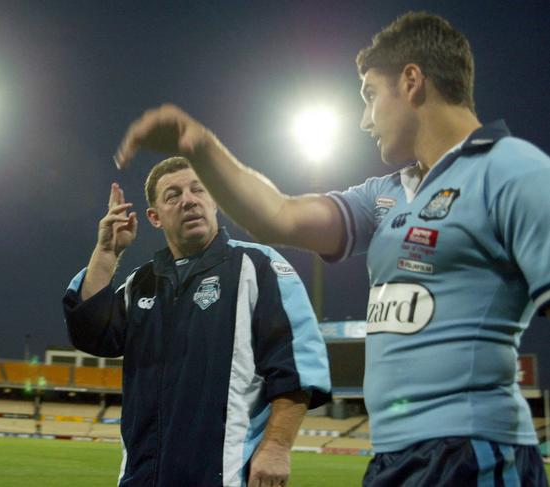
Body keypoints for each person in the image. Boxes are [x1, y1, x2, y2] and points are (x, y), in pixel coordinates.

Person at [115, 11, 550, 487]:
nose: (364, 120)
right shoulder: (386, 195)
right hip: (394, 458)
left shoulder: (513, 170)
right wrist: (197, 145)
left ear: (411, 81)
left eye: (369, 95)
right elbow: (277, 215)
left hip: (476, 452)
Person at [63, 156, 331, 487]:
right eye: (173, 195)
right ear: (155, 217)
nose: (188, 199)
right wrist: (106, 251)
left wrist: (276, 447)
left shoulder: (258, 267)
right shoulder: (141, 284)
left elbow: (298, 365)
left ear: (213, 200)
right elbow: (91, 334)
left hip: (225, 476)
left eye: (198, 189)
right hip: (141, 478)